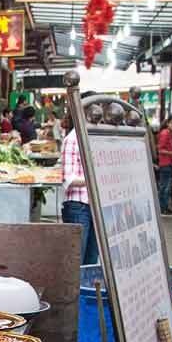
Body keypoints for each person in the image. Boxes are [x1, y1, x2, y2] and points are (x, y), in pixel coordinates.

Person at [59, 110, 97, 266]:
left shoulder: (93, 137)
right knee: (76, 261)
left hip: (94, 204)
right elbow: (69, 178)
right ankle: (76, 291)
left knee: (92, 260)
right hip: (78, 205)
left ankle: (87, 290)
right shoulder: (72, 139)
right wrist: (94, 179)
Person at [155, 116, 172, 216]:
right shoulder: (165, 133)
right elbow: (160, 150)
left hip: (169, 163)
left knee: (166, 187)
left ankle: (164, 207)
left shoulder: (170, 134)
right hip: (165, 164)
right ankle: (162, 209)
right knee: (165, 187)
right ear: (168, 123)